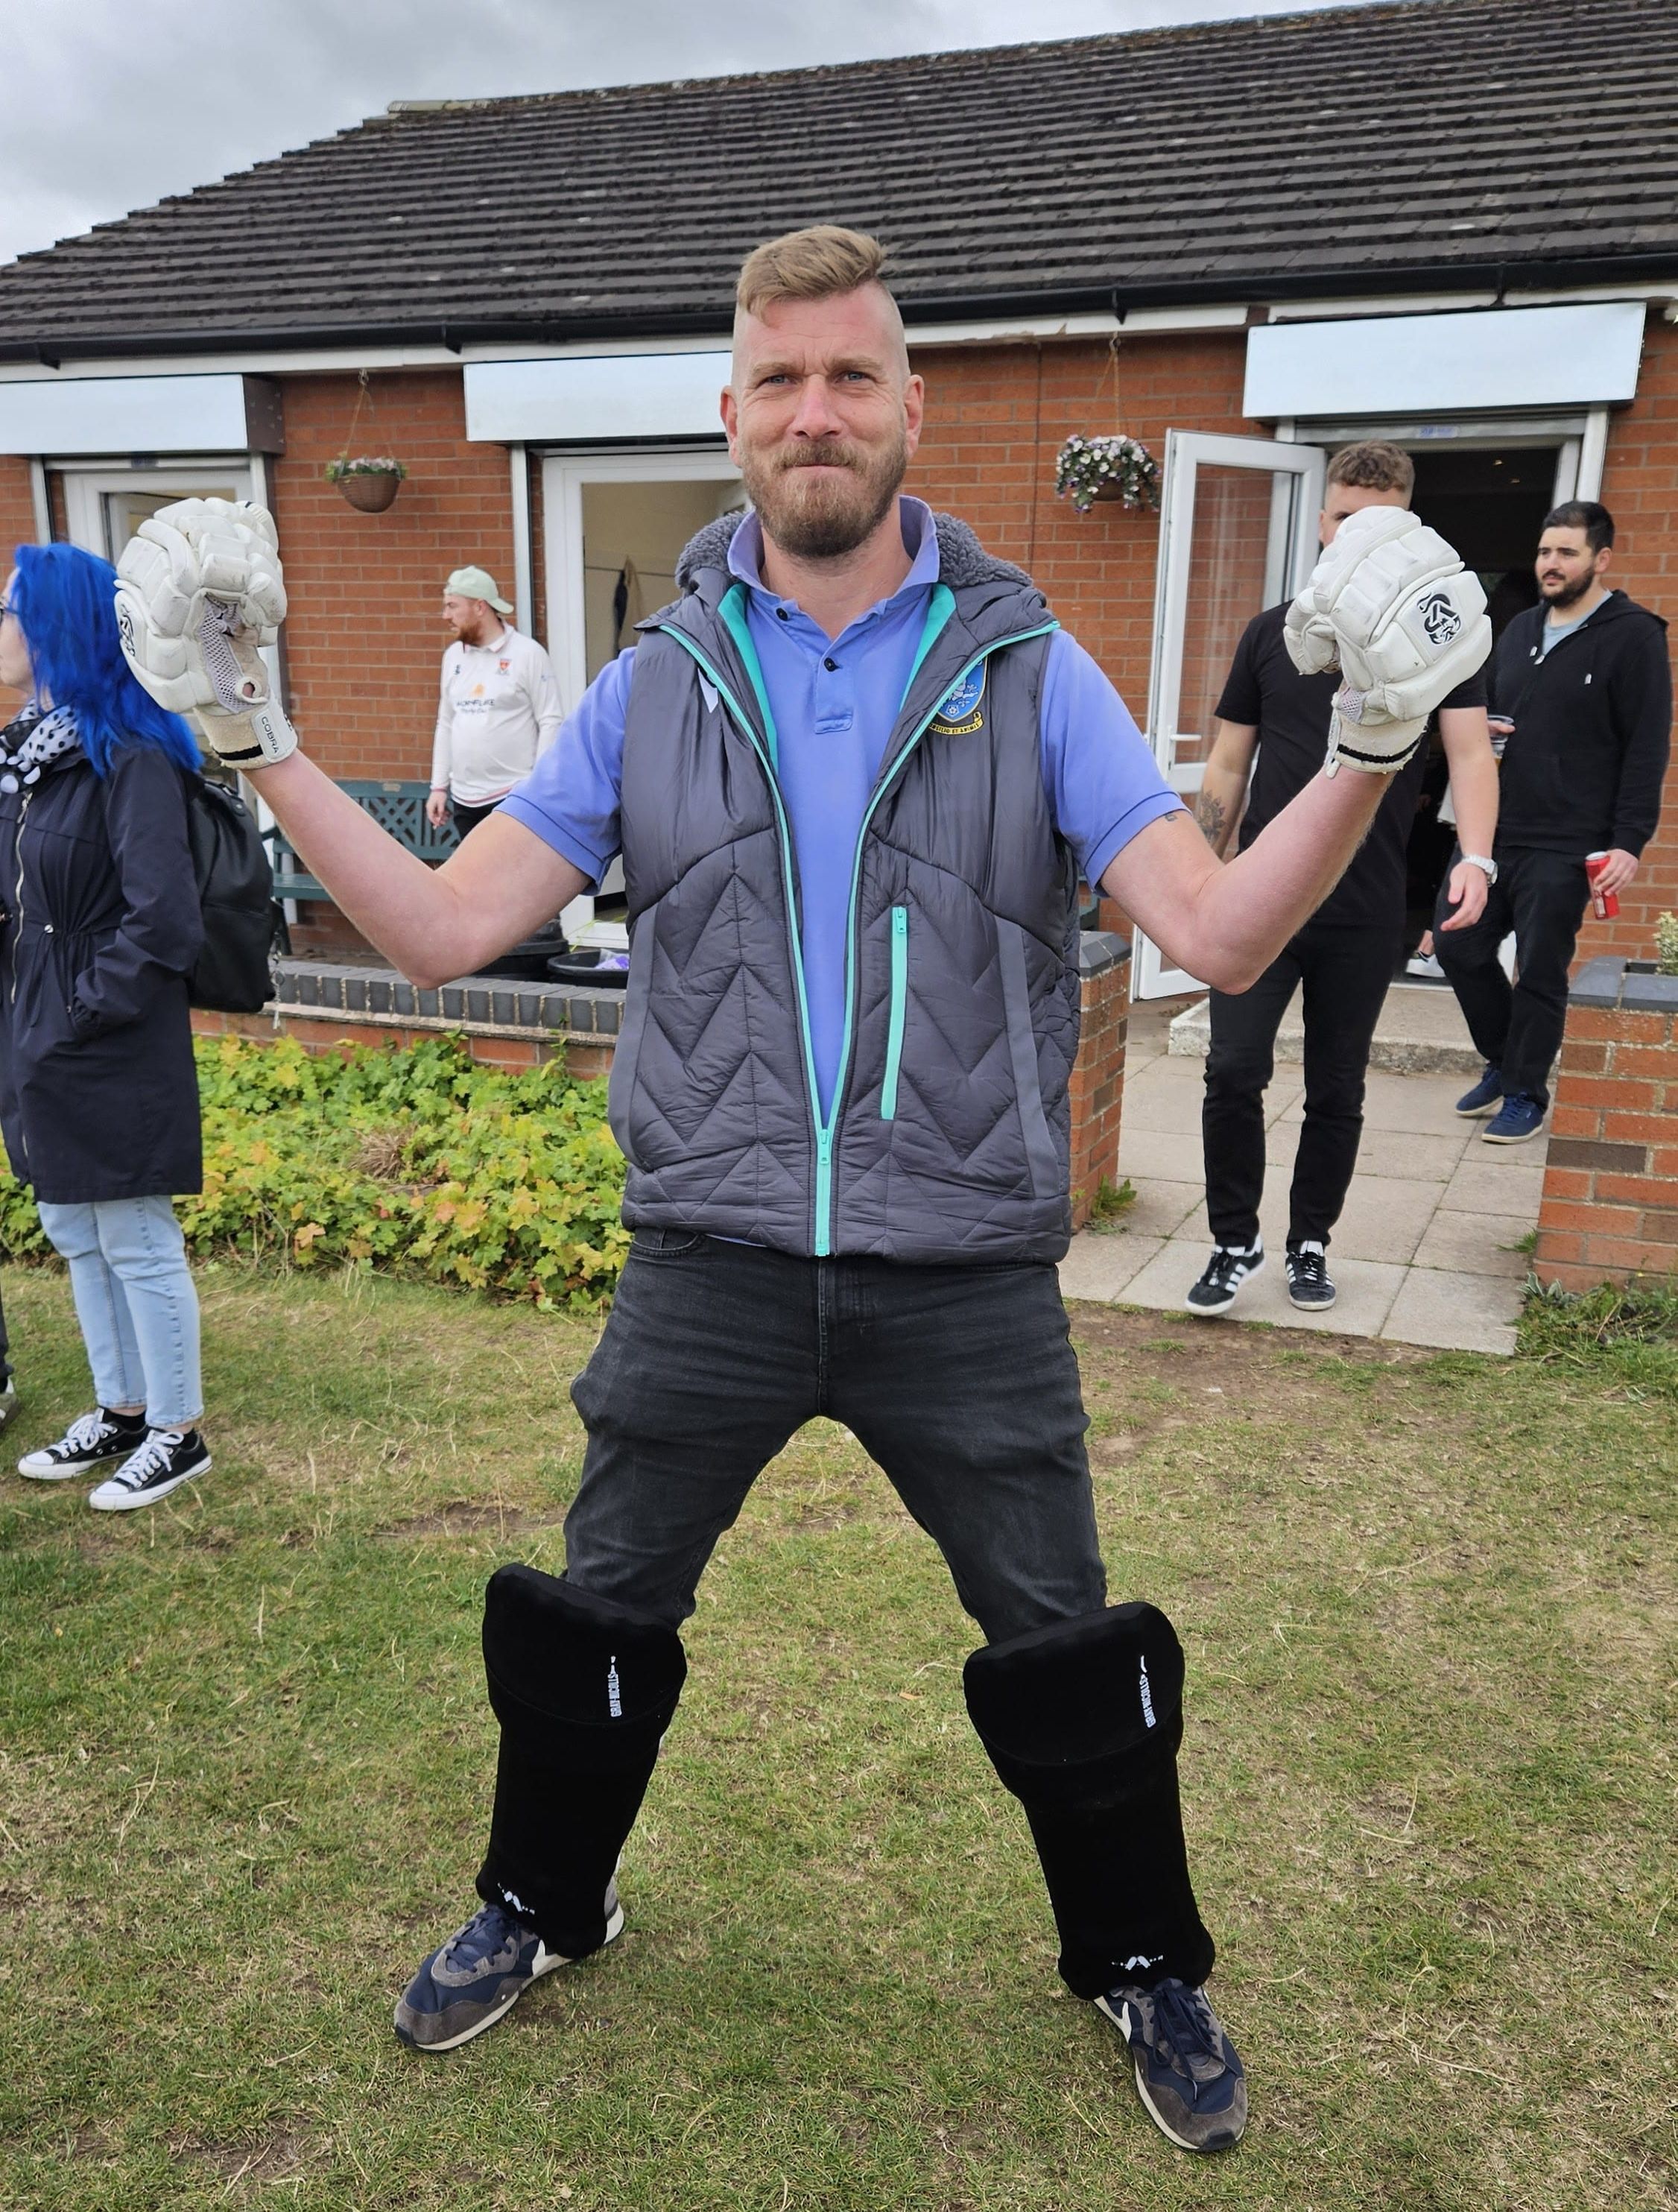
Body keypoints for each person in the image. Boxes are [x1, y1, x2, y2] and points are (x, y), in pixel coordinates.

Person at [113, 227, 1486, 2158]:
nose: (815, 415)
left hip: (964, 1268)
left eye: (851, 378)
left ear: (911, 407)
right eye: (781, 382)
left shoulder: (1025, 667)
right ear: (732, 416)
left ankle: (1135, 1958)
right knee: (595, 1608)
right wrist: (251, 739)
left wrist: (1366, 745)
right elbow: (430, 929)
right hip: (713, 1254)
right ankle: (544, 1900)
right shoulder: (655, 683)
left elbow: (1223, 930)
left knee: (1062, 1631)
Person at [1185, 442, 1498, 1314]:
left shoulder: (1439, 644)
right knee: (1230, 1071)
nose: (1350, 533)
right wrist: (1206, 878)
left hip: (1363, 908)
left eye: (1373, 521)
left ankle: (1308, 1242)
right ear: (1321, 522)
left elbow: (1470, 754)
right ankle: (1232, 1240)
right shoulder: (1268, 632)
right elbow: (1224, 764)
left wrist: (1474, 856)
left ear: (1404, 528)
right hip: (1260, 904)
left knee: (1336, 1086)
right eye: (1340, 517)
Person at [0, 544, 210, 1510]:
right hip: (45, 1031)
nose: (3, 631)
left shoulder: (133, 754)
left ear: (59, 631)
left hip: (108, 1035)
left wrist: (81, 1016)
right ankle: (120, 1409)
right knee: (74, 1230)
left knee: (133, 1234)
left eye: (13, 611)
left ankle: (176, 1430)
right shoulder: (42, 753)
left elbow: (163, 919)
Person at [1437, 500, 1672, 1143]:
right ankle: (1506, 1059)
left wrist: (1629, 841)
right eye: (1545, 551)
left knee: (1540, 968)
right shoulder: (1519, 630)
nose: (1551, 563)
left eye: (1567, 553)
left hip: (1570, 841)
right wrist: (1480, 728)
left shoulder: (1635, 636)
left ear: (1601, 559)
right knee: (1457, 946)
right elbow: (1484, 711)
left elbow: (1648, 747)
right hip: (1494, 833)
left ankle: (1525, 1093)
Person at [427, 566, 563, 839]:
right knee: (476, 880)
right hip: (465, 799)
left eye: (453, 606)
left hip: (514, 796)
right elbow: (446, 723)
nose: (446, 616)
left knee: (515, 879)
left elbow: (551, 720)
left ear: (480, 607)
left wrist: (537, 787)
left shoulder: (528, 654)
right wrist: (439, 787)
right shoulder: (453, 656)